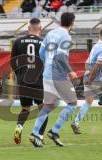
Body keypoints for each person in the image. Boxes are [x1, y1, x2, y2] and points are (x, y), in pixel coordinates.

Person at [29, 12, 77, 147]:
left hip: (48, 74)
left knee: (50, 105)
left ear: (61, 21)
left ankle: (35, 133)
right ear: (72, 23)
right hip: (59, 75)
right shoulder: (66, 36)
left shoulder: (51, 33)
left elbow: (40, 52)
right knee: (72, 103)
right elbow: (61, 57)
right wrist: (71, 71)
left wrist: (47, 64)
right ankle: (54, 131)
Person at [11, 18, 48, 145]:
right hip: (38, 80)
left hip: (23, 80)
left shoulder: (18, 41)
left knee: (25, 108)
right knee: (43, 109)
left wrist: (19, 75)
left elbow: (13, 61)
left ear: (28, 28)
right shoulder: (43, 42)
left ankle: (19, 128)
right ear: (40, 29)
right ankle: (39, 136)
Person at [71, 28, 102, 134]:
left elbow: (87, 62)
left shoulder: (95, 46)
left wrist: (88, 74)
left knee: (88, 102)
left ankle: (76, 122)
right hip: (95, 77)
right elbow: (98, 64)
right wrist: (90, 78)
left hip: (90, 74)